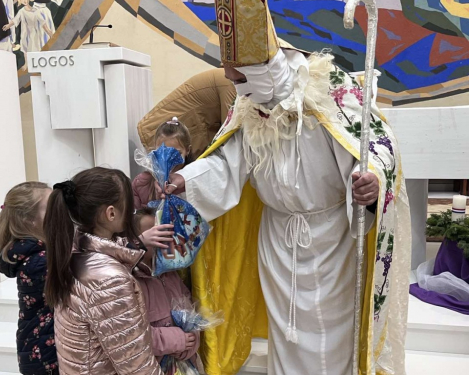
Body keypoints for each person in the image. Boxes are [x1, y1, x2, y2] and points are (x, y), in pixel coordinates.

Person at [162, 1, 411, 374]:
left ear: (264, 68)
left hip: (332, 239)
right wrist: (187, 179)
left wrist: (371, 179)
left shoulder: (328, 90)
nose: (234, 86)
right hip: (278, 239)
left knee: (332, 333)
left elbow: (374, 145)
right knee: (286, 334)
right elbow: (228, 164)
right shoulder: (249, 103)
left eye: (239, 77)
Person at [43, 167, 162, 375]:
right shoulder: (110, 280)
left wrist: (137, 245)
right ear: (111, 213)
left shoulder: (75, 251)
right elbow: (138, 367)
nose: (131, 214)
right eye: (130, 208)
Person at [0, 182, 58, 374]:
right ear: (30, 220)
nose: (59, 213)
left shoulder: (29, 253)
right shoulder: (39, 261)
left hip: (36, 343)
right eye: (52, 209)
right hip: (45, 352)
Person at [134, 207, 201, 366]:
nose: (161, 242)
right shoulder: (133, 282)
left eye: (165, 235)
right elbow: (134, 335)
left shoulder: (172, 275)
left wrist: (190, 343)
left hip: (184, 362)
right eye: (154, 236)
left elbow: (191, 315)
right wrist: (178, 340)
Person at [137, 68, 236, 159]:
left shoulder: (233, 80)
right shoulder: (231, 82)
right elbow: (231, 136)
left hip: (170, 141)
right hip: (162, 137)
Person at [133, 117, 194, 209]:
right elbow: (133, 219)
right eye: (163, 153)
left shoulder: (195, 181)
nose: (168, 160)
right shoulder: (141, 183)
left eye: (176, 153)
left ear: (188, 150)